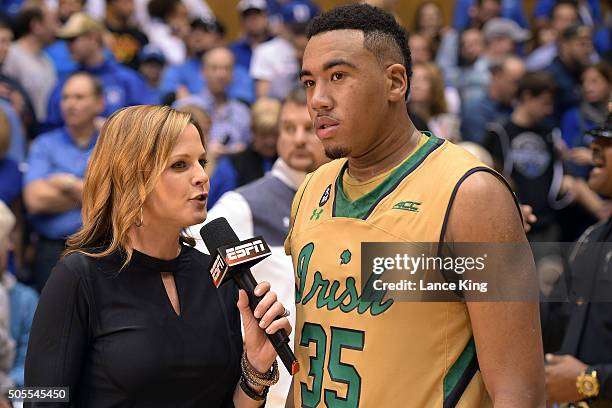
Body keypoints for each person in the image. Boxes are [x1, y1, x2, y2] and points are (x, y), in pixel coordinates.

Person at [285, 4, 545, 406]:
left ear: (395, 82)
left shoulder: (470, 195)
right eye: (308, 82)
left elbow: (518, 390)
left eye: (338, 76)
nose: (317, 99)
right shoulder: (311, 188)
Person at [24, 104, 292, 407]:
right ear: (131, 177)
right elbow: (39, 397)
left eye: (202, 161)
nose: (202, 176)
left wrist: (256, 368)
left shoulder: (217, 276)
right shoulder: (78, 276)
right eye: (180, 165)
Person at [191, 86, 327, 408]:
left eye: (308, 129)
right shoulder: (243, 204)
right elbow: (193, 262)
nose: (298, 139)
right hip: (277, 385)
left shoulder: (339, 198)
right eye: (288, 128)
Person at [544, 113, 612, 406]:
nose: (594, 146)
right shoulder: (593, 236)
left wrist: (592, 380)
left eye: (607, 141)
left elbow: (584, 377)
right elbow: (554, 321)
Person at [23, 73, 104, 292]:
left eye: (79, 97)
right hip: (52, 250)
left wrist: (68, 185)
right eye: (66, 97)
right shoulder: (45, 144)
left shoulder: (110, 144)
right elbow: (35, 200)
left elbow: (121, 195)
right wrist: (92, 192)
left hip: (101, 247)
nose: (70, 104)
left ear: (99, 103)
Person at [45, 12, 149, 130]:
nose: (68, 47)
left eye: (73, 39)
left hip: (119, 146)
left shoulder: (127, 79)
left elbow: (146, 125)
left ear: (93, 38)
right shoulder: (66, 83)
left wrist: (111, 129)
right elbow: (52, 126)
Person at [174, 47, 252, 155]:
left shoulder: (242, 112)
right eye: (214, 68)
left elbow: (249, 147)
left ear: (233, 74)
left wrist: (240, 152)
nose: (221, 74)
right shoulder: (185, 107)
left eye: (227, 68)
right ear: (203, 72)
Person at [206, 97, 280, 208]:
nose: (270, 141)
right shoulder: (232, 165)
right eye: (264, 135)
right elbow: (215, 208)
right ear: (253, 133)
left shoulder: (290, 162)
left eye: (274, 134)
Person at [2, 5, 58, 123]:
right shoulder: (10, 54)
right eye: (53, 22)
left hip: (43, 127)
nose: (57, 28)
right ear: (36, 26)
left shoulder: (47, 59)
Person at [461, 55, 525, 143]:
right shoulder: (476, 111)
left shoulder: (518, 109)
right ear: (496, 76)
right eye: (514, 82)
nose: (518, 89)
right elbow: (480, 149)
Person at [230, 0, 273, 72]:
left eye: (257, 15)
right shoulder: (233, 51)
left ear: (266, 17)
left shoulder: (280, 46)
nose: (253, 20)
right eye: (248, 16)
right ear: (241, 21)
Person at [104, 0, 149, 69]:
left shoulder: (139, 36)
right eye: (127, 1)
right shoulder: (98, 33)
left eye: (132, 2)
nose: (132, 7)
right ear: (111, 3)